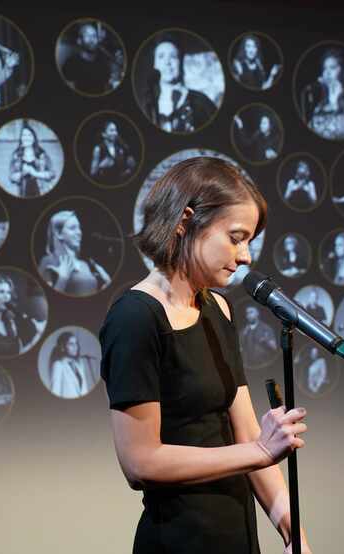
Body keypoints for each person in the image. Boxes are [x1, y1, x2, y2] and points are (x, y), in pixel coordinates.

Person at [99, 156, 312, 553]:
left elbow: (246, 430)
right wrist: (259, 452)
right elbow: (140, 462)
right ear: (185, 221)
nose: (246, 255)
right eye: (235, 238)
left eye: (249, 240)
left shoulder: (218, 309)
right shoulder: (135, 317)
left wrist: (293, 532)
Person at [142, 36, 217, 133]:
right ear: (155, 64)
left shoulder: (201, 102)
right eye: (161, 56)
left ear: (180, 62)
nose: (167, 62)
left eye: (173, 57)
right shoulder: (148, 103)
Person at [300, 47, 344, 140]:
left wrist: (335, 103)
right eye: (325, 68)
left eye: (332, 68)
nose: (327, 72)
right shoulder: (321, 105)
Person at [38, 210, 112, 296]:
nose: (79, 232)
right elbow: (45, 299)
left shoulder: (85, 264)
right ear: (59, 234)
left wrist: (107, 284)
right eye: (73, 228)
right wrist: (63, 278)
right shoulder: (48, 261)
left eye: (79, 228)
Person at [61, 22, 123, 94]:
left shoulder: (103, 61)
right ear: (79, 41)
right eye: (88, 36)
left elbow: (108, 85)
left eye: (94, 36)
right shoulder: (71, 63)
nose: (92, 39)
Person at [8, 123, 56, 198]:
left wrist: (35, 173)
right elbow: (11, 177)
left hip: (41, 191)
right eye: (24, 135)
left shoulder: (42, 154)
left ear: (34, 138)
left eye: (29, 135)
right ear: (21, 138)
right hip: (22, 193)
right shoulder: (16, 155)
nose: (26, 138)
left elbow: (52, 174)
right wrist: (23, 173)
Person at [48, 331, 99, 398]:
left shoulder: (79, 365)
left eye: (76, 343)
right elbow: (55, 390)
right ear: (62, 347)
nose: (75, 347)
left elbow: (84, 389)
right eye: (71, 344)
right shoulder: (58, 365)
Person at [89, 120, 136, 186]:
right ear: (104, 134)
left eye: (115, 130)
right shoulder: (98, 149)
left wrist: (128, 171)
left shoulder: (121, 147)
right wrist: (100, 166)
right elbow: (92, 173)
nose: (115, 133)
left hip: (120, 185)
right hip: (104, 186)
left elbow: (131, 166)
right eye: (111, 130)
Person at [239, 305, 279, 369]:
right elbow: (239, 348)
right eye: (247, 313)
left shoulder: (266, 329)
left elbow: (274, 347)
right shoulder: (243, 332)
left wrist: (266, 341)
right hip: (249, 366)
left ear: (257, 313)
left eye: (251, 312)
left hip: (264, 364)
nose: (249, 315)